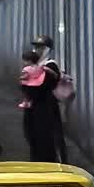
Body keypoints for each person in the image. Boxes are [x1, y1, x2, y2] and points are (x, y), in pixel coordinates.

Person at [23, 35, 68, 163]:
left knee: (48, 140)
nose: (36, 50)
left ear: (47, 49)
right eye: (35, 47)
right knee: (34, 138)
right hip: (34, 109)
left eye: (40, 47)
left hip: (46, 109)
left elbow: (41, 87)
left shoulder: (50, 66)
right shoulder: (35, 66)